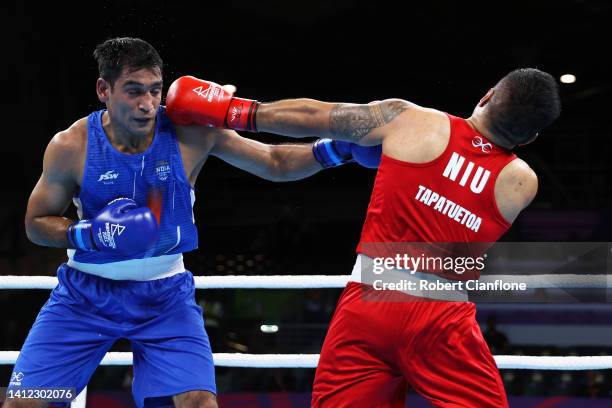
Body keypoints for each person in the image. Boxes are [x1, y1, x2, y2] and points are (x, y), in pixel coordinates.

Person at [3, 37, 380, 408]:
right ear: (104, 89)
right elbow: (35, 224)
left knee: (198, 402)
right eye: (134, 91)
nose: (148, 104)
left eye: (155, 90)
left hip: (165, 299)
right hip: (84, 297)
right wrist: (88, 234)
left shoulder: (190, 131)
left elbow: (274, 162)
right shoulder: (72, 146)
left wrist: (337, 148)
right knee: (25, 404)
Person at [165, 68, 561, 407]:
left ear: (488, 95)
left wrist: (234, 111)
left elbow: (312, 115)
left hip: (370, 302)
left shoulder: (411, 120)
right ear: (530, 138)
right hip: (442, 319)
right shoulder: (523, 182)